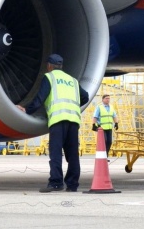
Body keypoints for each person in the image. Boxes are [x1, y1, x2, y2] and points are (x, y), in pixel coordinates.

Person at [17, 54, 89, 193]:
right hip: (73, 120)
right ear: (61, 66)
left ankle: (56, 183)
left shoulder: (49, 77)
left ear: (49, 66)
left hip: (58, 119)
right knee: (72, 155)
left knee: (56, 153)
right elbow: (85, 96)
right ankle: (73, 184)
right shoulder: (72, 80)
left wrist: (27, 110)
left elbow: (40, 98)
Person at [92, 94, 119, 159]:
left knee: (109, 142)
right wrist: (93, 125)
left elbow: (114, 116)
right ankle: (103, 156)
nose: (108, 100)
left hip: (109, 128)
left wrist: (116, 123)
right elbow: (95, 116)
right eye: (106, 98)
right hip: (102, 128)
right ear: (103, 99)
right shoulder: (99, 107)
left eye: (109, 98)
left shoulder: (111, 107)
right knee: (105, 141)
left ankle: (105, 156)